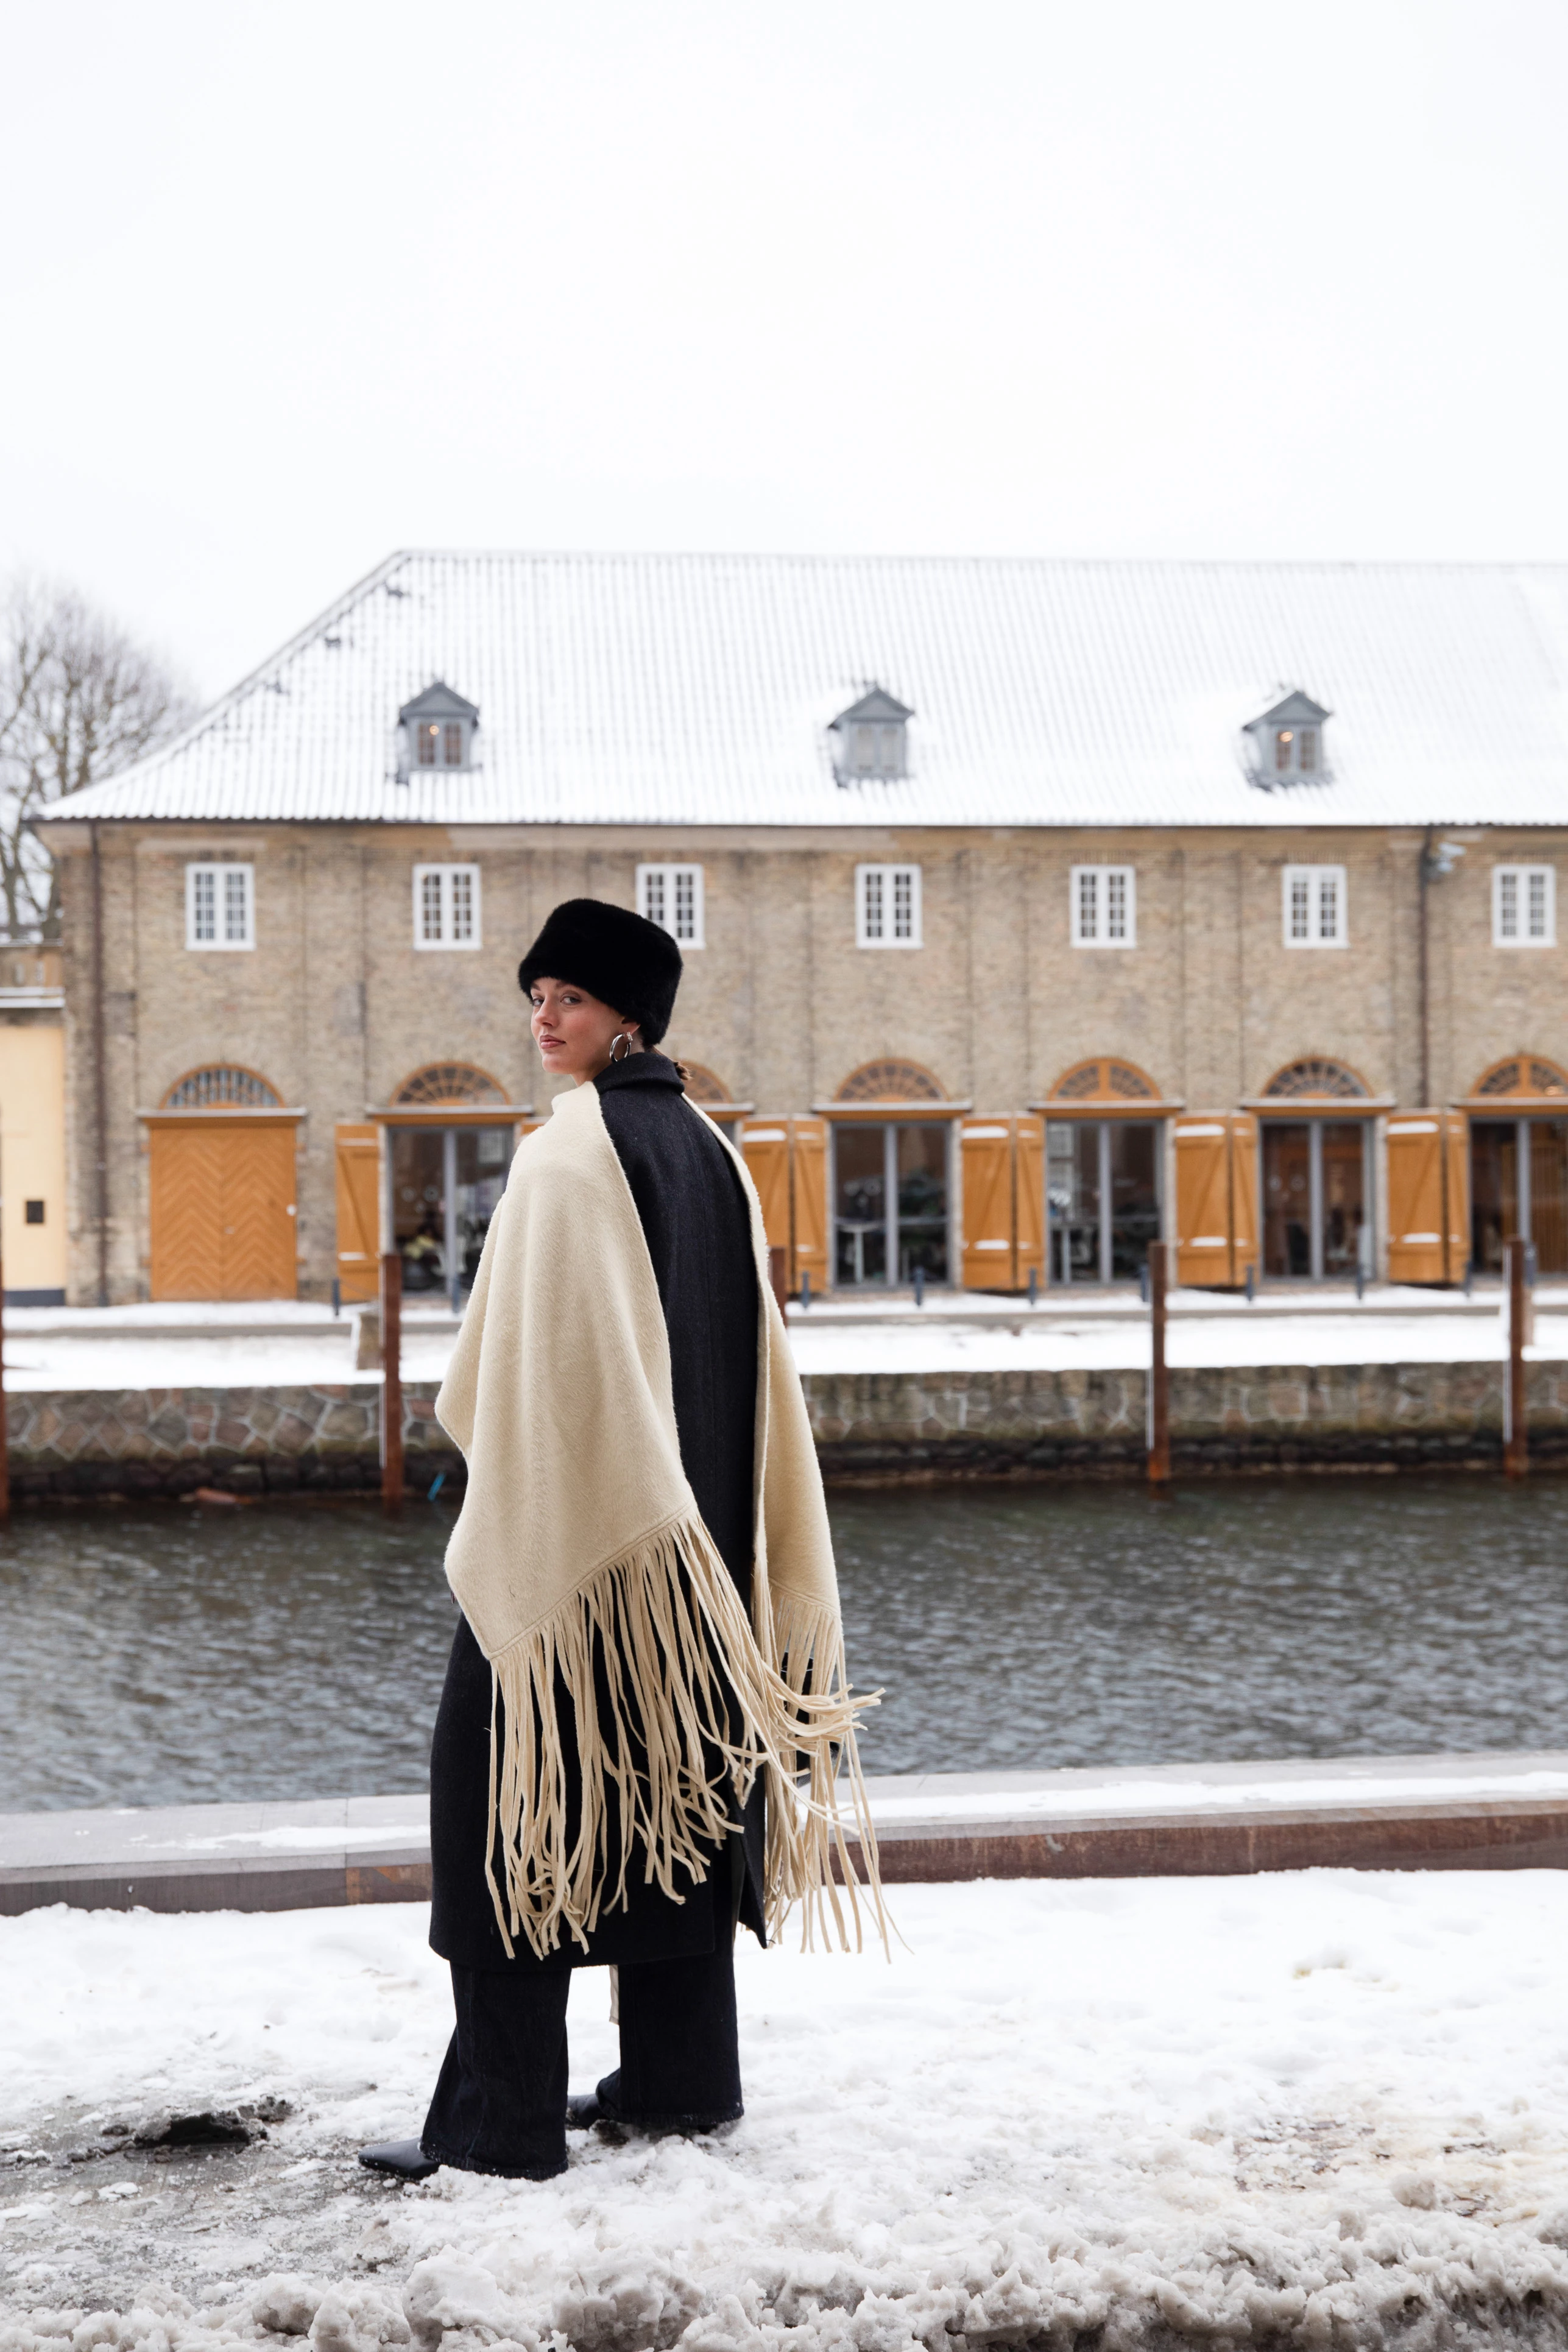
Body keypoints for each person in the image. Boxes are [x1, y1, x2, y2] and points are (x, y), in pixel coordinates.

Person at [360, 897, 882, 2183]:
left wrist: (521, 1497)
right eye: (537, 995)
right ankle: (680, 2085)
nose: (545, 1017)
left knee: (502, 1812)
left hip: (585, 1563)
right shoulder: (711, 1145)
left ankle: (503, 2124)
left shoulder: (568, 1155)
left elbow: (528, 1389)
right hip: (701, 1570)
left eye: (572, 1001)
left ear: (630, 1017)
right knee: (681, 1805)